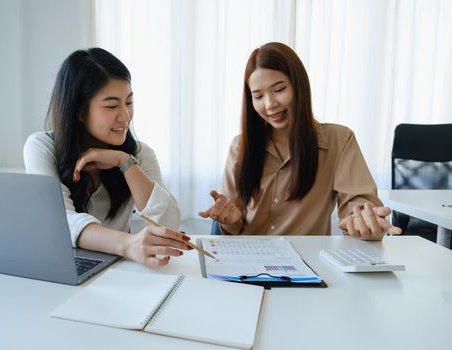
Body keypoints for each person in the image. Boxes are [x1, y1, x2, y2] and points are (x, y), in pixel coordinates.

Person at [199, 42, 402, 241]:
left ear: (299, 85)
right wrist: (229, 220)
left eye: (279, 90)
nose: (270, 104)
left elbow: (358, 204)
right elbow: (234, 223)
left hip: (307, 267)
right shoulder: (240, 146)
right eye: (258, 96)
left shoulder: (339, 140)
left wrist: (363, 220)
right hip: (248, 262)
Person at [24, 48, 191, 266]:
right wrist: (129, 244)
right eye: (112, 106)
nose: (125, 116)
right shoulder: (42, 147)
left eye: (129, 102)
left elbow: (169, 222)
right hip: (57, 268)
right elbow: (61, 221)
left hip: (116, 272)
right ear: (79, 111)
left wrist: (125, 162)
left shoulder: (140, 154)